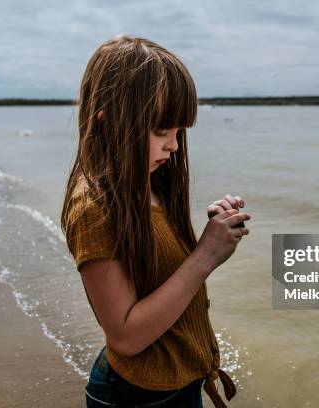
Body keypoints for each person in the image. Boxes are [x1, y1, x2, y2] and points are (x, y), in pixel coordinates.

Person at [60, 34, 251, 408]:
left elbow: (159, 275)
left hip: (172, 386)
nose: (174, 146)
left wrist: (210, 233)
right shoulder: (94, 207)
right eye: (161, 130)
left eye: (179, 131)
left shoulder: (145, 185)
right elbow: (126, 336)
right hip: (138, 397)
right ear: (107, 122)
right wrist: (205, 257)